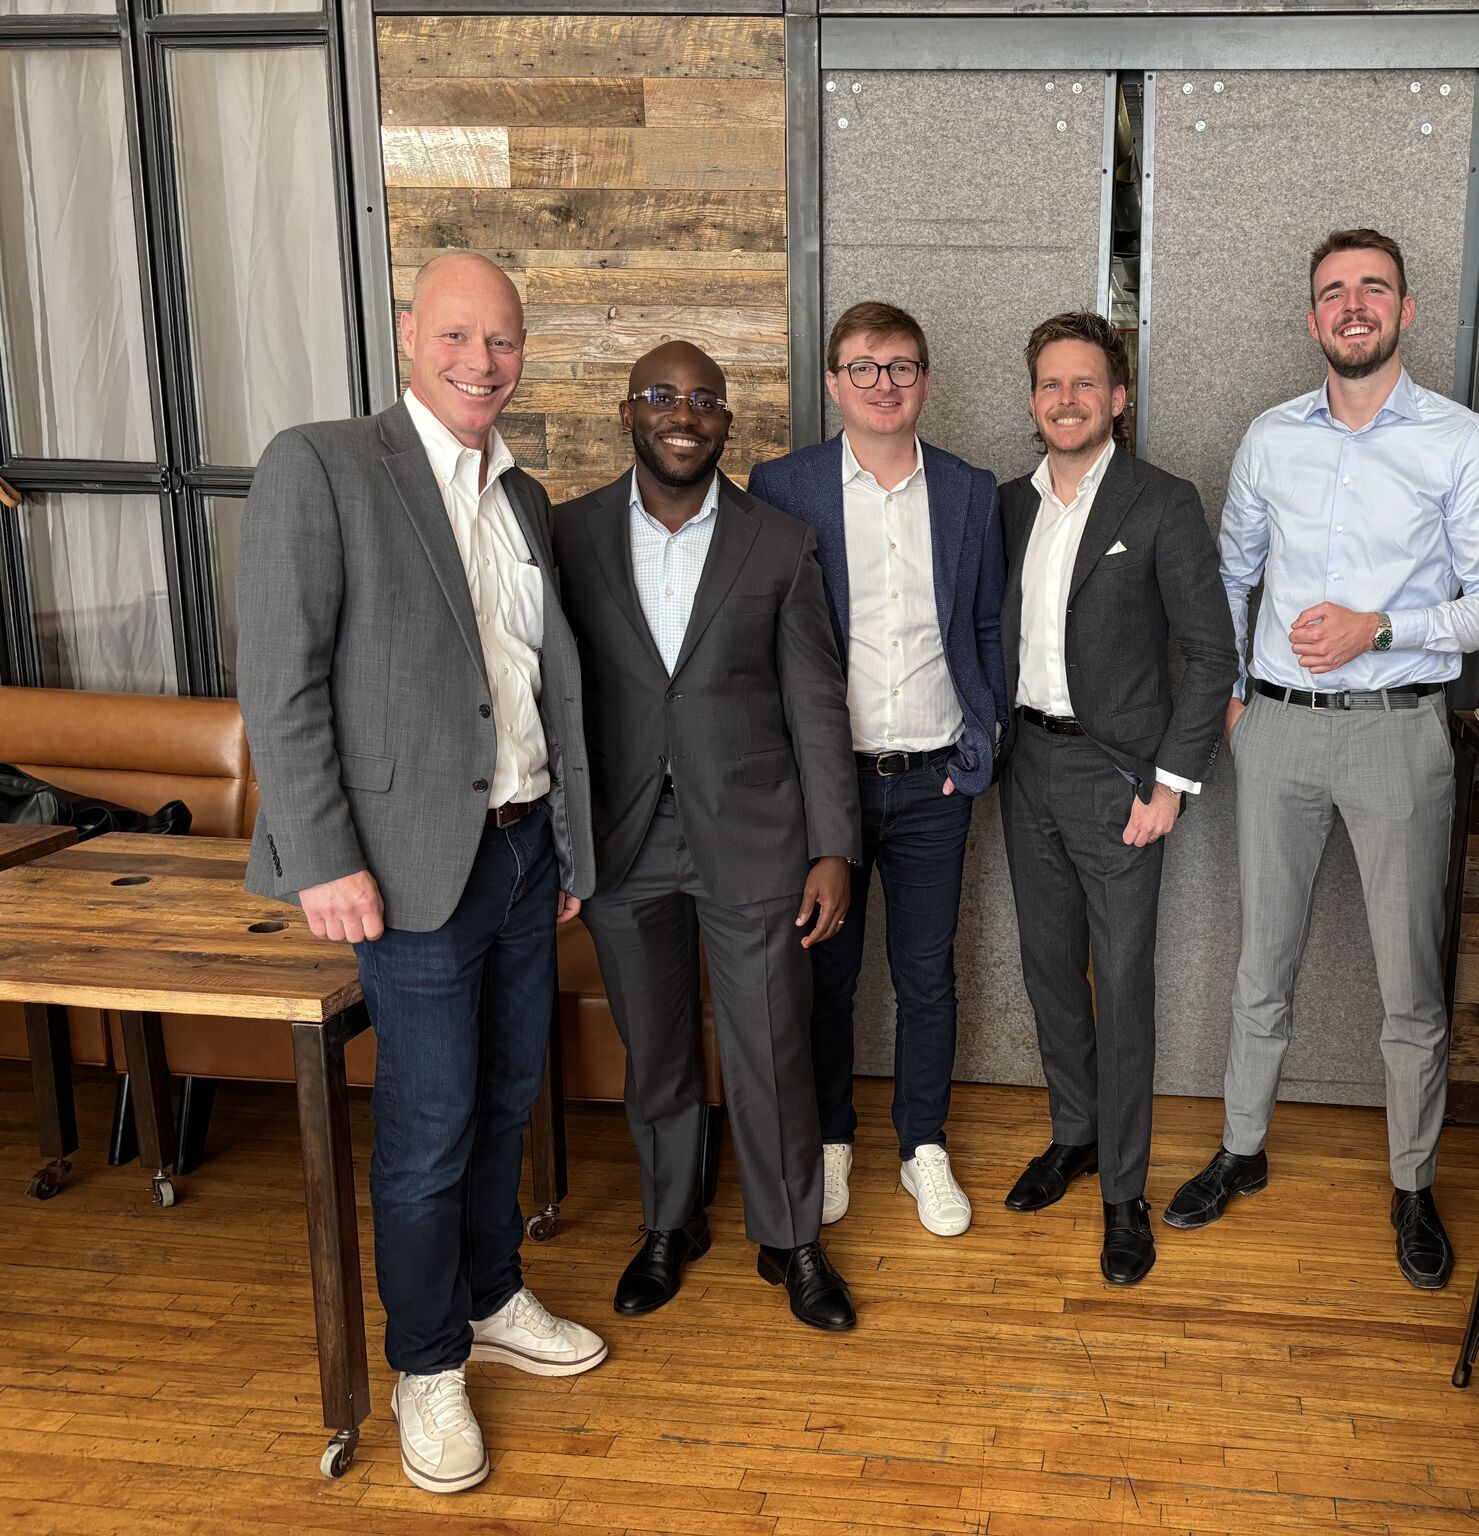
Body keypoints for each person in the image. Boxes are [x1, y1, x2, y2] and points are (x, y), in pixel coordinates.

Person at [238, 251, 602, 1495]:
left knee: (506, 1098)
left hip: (516, 848)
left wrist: (564, 845)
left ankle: (493, 1293)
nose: (479, 362)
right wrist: (322, 855)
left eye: (501, 341)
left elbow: (537, 682)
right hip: (399, 871)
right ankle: (425, 1363)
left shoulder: (525, 495)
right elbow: (281, 682)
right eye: (456, 336)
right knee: (428, 1124)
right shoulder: (324, 464)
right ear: (408, 335)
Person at [1164, 229, 1479, 1292]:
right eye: (1333, 293)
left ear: (1405, 311)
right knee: (1259, 962)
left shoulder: (1457, 441)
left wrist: (1382, 629)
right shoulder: (1270, 437)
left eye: (1373, 288)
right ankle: (1240, 1151)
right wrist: (1235, 693)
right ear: (1310, 318)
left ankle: (1412, 1184)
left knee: (1408, 983)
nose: (1352, 306)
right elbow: (1229, 574)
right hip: (1274, 731)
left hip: (1396, 733)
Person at [552, 340, 862, 1332]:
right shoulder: (569, 537)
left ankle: (791, 1238)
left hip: (757, 838)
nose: (682, 413)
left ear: (727, 423)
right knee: (655, 1051)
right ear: (626, 411)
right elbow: (552, 700)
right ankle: (668, 1220)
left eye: (702, 400)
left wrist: (832, 847)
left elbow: (817, 704)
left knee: (771, 1047)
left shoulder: (779, 543)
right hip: (622, 840)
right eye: (661, 396)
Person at [748, 302, 1005, 1239]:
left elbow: (983, 626)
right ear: (833, 383)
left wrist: (983, 749)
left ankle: (922, 1146)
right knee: (827, 975)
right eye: (864, 368)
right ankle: (831, 1142)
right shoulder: (783, 486)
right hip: (832, 789)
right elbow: (769, 637)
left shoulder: (971, 490)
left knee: (927, 974)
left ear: (925, 380)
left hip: (938, 779)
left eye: (901, 366)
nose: (884, 383)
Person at [996, 311, 1235, 1286]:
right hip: (1025, 769)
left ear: (1117, 399)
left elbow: (1213, 653)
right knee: (1049, 968)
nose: (1066, 399)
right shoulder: (1005, 506)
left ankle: (1122, 1193)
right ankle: (1074, 1135)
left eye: (1085, 383)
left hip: (1120, 779)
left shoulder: (1160, 501)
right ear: (1031, 399)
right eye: (1050, 384)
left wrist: (1170, 786)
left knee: (1122, 986)